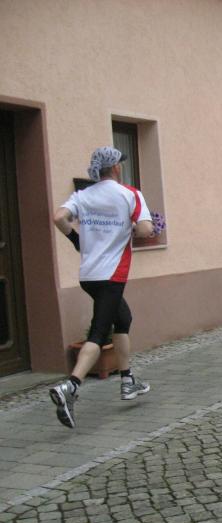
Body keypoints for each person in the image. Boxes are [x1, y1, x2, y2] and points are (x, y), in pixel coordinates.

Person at [49, 146, 154, 429]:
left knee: (123, 318)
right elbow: (146, 229)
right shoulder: (129, 194)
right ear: (116, 167)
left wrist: (76, 239)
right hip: (112, 274)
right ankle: (70, 386)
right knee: (98, 332)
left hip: (88, 274)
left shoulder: (83, 195)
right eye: (121, 163)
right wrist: (131, 228)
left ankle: (127, 380)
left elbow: (59, 217)